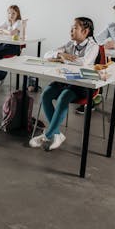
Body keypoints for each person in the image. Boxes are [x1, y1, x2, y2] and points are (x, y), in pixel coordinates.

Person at [29, 17, 98, 150]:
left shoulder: (93, 46)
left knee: (63, 97)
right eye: (71, 27)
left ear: (85, 31)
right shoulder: (70, 43)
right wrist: (61, 54)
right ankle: (57, 134)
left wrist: (63, 59)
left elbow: (83, 62)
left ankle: (47, 135)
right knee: (46, 94)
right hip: (65, 79)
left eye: (75, 28)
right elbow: (47, 55)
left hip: (82, 84)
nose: (71, 30)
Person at [0, 5, 24, 85]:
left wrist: (3, 30)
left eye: (13, 13)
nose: (11, 15)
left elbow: (12, 33)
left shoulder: (19, 22)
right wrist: (4, 30)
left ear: (17, 14)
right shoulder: (7, 22)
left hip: (14, 46)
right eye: (9, 13)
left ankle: (1, 75)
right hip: (5, 44)